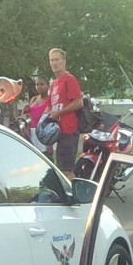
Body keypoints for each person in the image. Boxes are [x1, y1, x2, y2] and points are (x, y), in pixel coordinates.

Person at [47, 47, 85, 177]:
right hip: (57, 132)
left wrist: (59, 113)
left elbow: (79, 102)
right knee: (61, 169)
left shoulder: (69, 79)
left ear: (64, 61)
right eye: (52, 60)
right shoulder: (54, 84)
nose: (54, 63)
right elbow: (50, 107)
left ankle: (74, 196)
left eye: (57, 59)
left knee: (66, 170)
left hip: (69, 130)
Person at [25, 75, 52, 142]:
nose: (39, 87)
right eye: (37, 85)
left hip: (45, 133)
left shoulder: (50, 100)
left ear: (48, 86)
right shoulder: (33, 99)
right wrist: (24, 111)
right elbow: (26, 117)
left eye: (42, 84)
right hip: (31, 134)